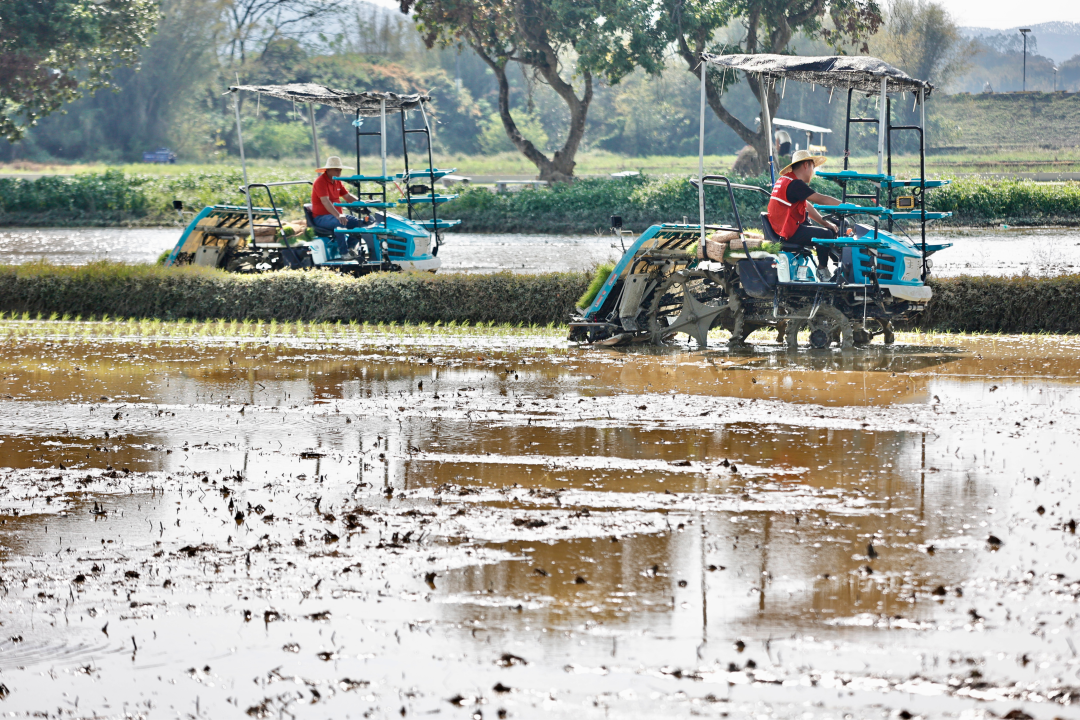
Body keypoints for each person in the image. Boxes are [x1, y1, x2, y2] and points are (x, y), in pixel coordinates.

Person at [766, 149, 844, 279]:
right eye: (813, 167)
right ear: (806, 165)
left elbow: (807, 206)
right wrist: (846, 206)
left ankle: (838, 266)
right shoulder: (795, 184)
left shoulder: (786, 180)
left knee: (829, 231)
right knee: (826, 235)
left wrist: (826, 223)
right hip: (787, 232)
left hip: (782, 228)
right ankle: (823, 271)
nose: (813, 172)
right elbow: (821, 199)